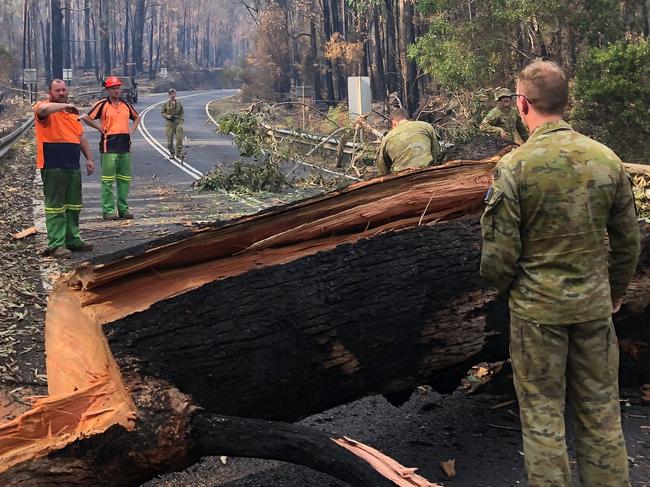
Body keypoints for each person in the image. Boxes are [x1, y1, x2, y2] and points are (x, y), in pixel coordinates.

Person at [480, 61, 640, 486]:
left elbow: (498, 257)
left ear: (522, 104)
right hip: (593, 308)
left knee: (543, 418)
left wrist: (510, 291)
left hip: (537, 315)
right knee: (602, 411)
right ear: (566, 103)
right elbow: (628, 242)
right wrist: (615, 293)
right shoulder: (607, 160)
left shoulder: (515, 167)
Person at [33, 79, 95, 259]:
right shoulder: (44, 107)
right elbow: (42, 111)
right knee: (55, 207)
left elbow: (80, 137)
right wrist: (63, 106)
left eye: (64, 90)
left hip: (72, 165)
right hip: (53, 165)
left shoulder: (71, 114)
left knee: (73, 205)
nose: (61, 93)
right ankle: (56, 244)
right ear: (50, 93)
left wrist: (89, 158)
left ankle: (72, 239)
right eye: (57, 90)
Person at [83, 76, 140, 220]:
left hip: (125, 146)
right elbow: (85, 117)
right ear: (108, 90)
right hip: (109, 146)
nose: (117, 91)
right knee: (108, 180)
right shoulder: (102, 104)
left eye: (118, 88)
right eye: (114, 88)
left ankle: (123, 209)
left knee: (124, 180)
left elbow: (137, 117)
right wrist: (98, 127)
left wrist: (132, 129)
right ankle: (108, 210)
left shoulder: (126, 105)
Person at [376, 108, 440, 176]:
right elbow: (436, 152)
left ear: (393, 123)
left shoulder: (387, 138)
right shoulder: (426, 126)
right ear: (408, 119)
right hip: (428, 171)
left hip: (402, 177)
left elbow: (382, 170)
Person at [160, 88, 184, 159]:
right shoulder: (165, 104)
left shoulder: (179, 104)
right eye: (171, 94)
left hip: (178, 123)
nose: (173, 95)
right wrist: (168, 116)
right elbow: (162, 113)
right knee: (170, 141)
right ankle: (171, 153)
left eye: (174, 94)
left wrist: (181, 120)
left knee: (179, 139)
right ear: (169, 95)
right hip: (169, 124)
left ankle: (178, 153)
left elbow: (182, 113)